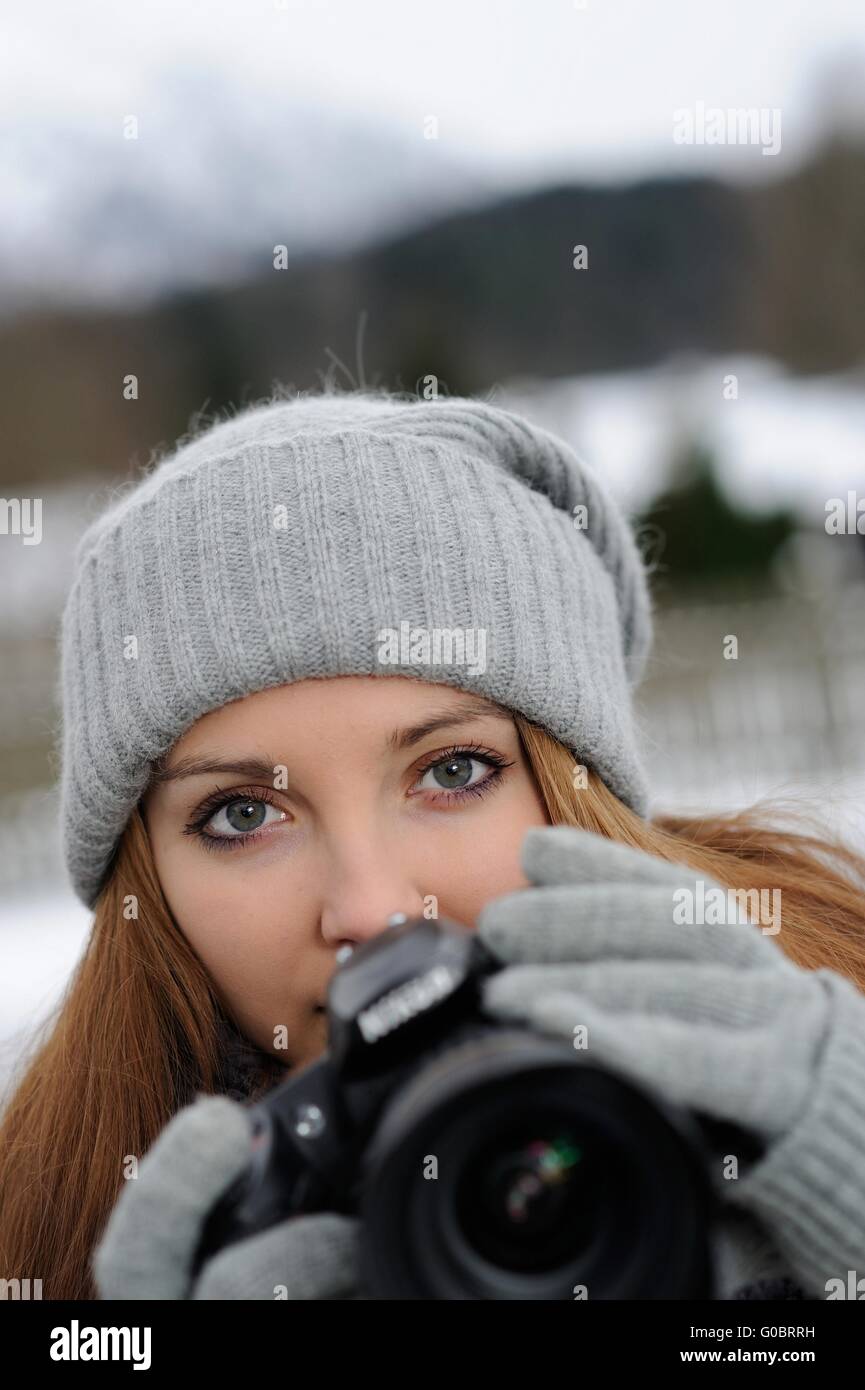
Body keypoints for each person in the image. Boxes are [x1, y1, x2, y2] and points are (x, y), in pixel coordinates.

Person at [2, 387, 865, 1301]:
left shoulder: (822, 1047)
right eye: (242, 816)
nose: (371, 909)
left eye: (453, 771)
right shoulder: (46, 1241)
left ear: (581, 797)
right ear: (147, 884)